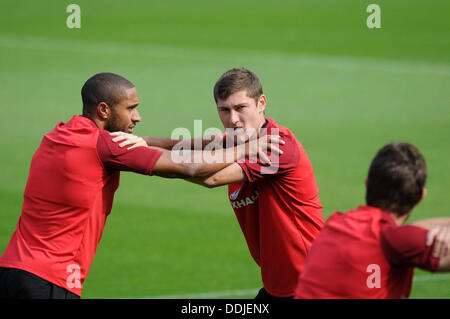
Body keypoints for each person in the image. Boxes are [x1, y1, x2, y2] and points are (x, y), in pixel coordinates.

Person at [0, 72, 281, 299]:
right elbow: (190, 166)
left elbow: (185, 150)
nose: (137, 117)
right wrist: (247, 149)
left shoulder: (58, 134)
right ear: (103, 109)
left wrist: (145, 141)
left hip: (11, 269)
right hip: (50, 281)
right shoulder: (107, 145)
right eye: (131, 108)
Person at [136, 68, 324, 299]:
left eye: (240, 108)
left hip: (310, 283)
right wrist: (141, 142)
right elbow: (181, 145)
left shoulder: (277, 146)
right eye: (224, 110)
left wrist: (135, 160)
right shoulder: (235, 141)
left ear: (261, 103)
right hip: (279, 282)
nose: (233, 119)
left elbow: (211, 177)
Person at [294, 142, 450, 299]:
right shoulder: (393, 241)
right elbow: (402, 236)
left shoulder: (335, 223)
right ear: (421, 197)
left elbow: (403, 233)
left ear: (367, 183)